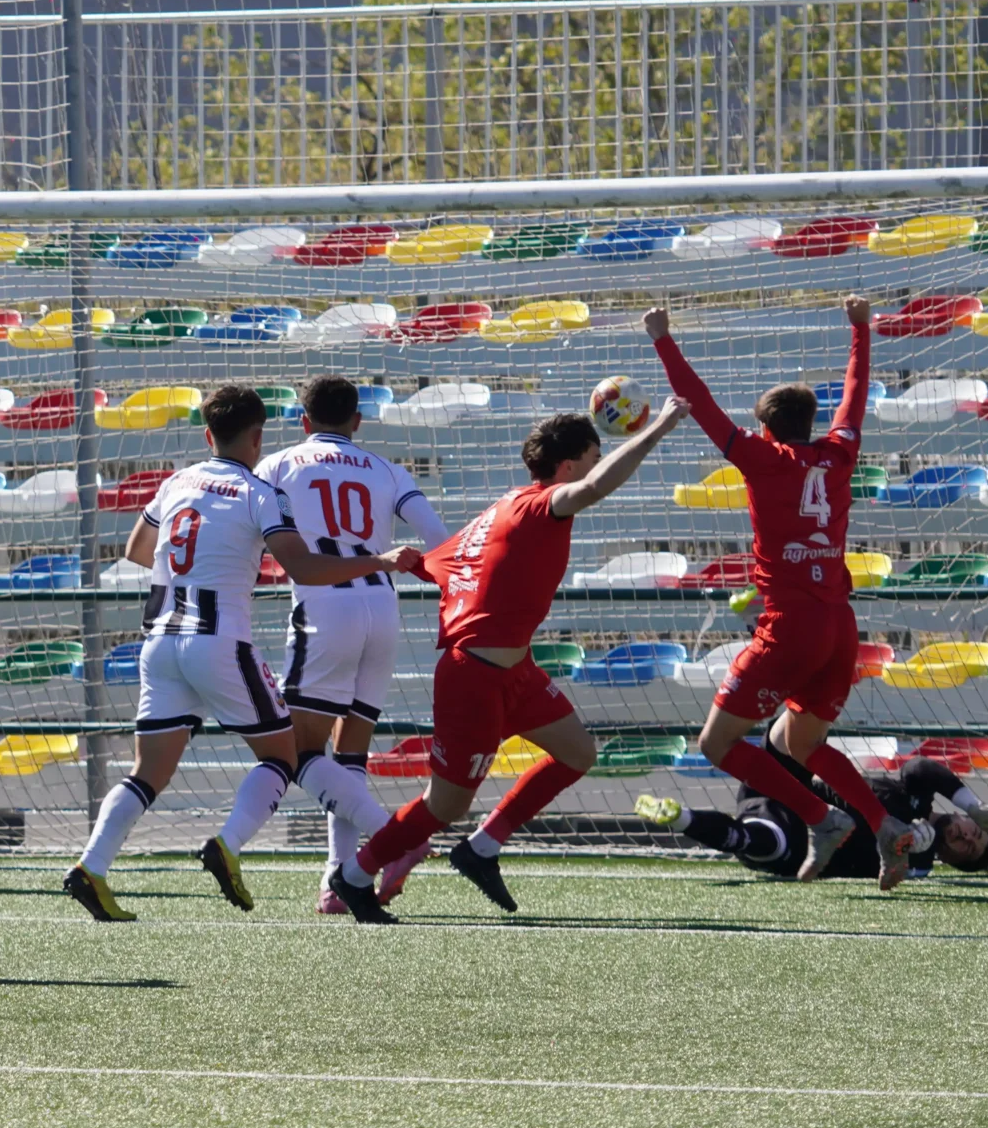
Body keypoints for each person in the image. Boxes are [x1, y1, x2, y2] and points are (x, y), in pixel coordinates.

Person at [63, 385, 424, 923]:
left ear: (208, 434)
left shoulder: (176, 481)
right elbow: (306, 567)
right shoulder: (258, 493)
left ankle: (92, 866)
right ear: (258, 438)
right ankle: (230, 845)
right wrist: (381, 561)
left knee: (147, 775)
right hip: (220, 644)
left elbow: (137, 549)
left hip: (160, 641)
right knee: (288, 757)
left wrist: (207, 561)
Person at [327, 403, 688, 924]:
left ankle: (482, 847)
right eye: (593, 454)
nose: (597, 463)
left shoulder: (508, 506)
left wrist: (414, 562)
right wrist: (660, 427)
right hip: (472, 680)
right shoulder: (543, 504)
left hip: (516, 671)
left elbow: (449, 561)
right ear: (567, 465)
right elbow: (593, 489)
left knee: (578, 753)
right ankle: (355, 875)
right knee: (444, 806)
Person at [647, 298, 914, 889]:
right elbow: (856, 393)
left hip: (790, 627)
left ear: (766, 428)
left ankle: (822, 818)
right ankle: (884, 826)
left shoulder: (760, 457)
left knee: (716, 743)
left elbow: (702, 406)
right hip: (840, 625)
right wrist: (860, 330)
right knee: (799, 741)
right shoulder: (839, 452)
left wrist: (663, 339)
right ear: (811, 423)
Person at [257, 375, 458, 915]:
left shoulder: (278, 464)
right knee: (350, 754)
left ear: (303, 422)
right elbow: (441, 543)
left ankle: (398, 838)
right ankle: (338, 880)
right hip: (382, 608)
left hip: (325, 605)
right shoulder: (388, 470)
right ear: (357, 422)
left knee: (296, 751)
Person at [636, 754, 988, 879]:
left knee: (757, 841)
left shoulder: (917, 861)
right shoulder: (915, 800)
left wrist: (911, 849)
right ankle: (761, 629)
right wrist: (975, 804)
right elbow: (919, 767)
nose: (966, 836)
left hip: (792, 835)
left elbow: (906, 871)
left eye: (969, 849)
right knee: (795, 727)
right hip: (789, 784)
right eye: (975, 830)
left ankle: (678, 817)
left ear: (954, 861)